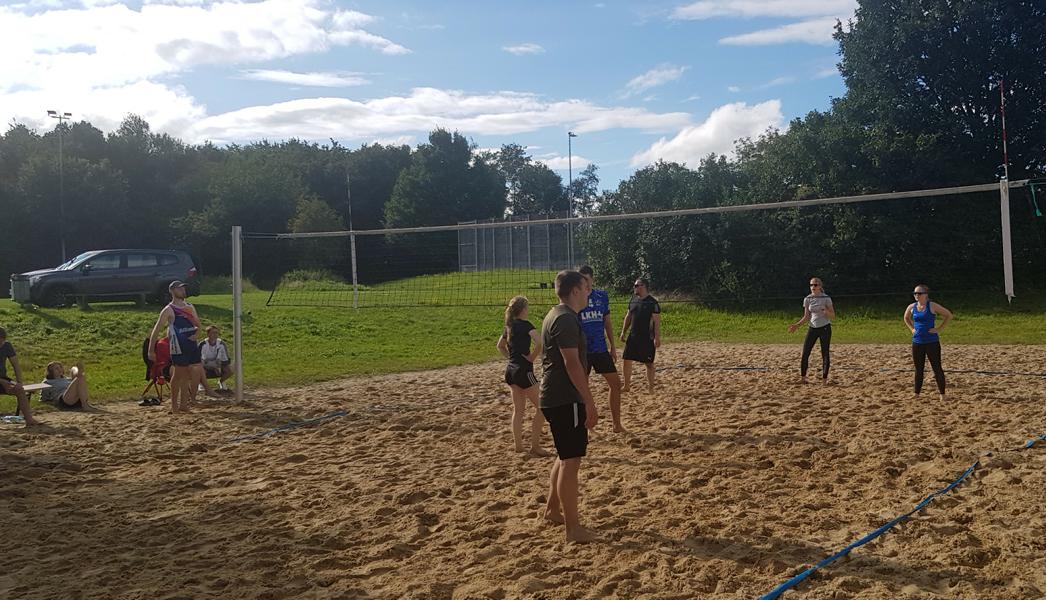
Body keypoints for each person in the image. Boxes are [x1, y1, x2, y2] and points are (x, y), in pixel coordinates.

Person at [540, 270, 598, 543]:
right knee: (571, 461)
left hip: (556, 397)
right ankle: (573, 529)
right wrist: (588, 400)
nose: (589, 292)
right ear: (575, 290)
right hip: (565, 397)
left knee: (564, 456)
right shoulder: (565, 319)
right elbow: (571, 363)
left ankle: (552, 509)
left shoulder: (556, 314)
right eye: (586, 288)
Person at [496, 296, 548, 456]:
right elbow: (541, 343)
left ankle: (518, 446)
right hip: (524, 371)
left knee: (518, 411)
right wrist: (532, 358)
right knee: (543, 408)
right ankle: (535, 446)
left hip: (511, 371)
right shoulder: (526, 325)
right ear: (523, 309)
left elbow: (500, 346)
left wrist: (511, 359)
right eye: (527, 307)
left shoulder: (509, 326)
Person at [577, 265, 625, 433]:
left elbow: (607, 322)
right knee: (583, 388)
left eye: (586, 280)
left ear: (592, 279)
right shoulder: (576, 298)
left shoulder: (601, 296)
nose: (584, 283)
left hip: (600, 348)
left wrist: (612, 346)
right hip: (582, 351)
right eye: (581, 280)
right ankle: (587, 426)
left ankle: (617, 424)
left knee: (616, 384)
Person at [148, 281, 202, 414]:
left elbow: (198, 324)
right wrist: (151, 349)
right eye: (180, 289)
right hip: (178, 346)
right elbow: (157, 329)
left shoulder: (190, 306)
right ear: (172, 291)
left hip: (191, 344)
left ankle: (183, 404)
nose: (183, 291)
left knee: (187, 374)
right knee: (178, 374)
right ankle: (174, 405)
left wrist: (197, 334)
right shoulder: (169, 309)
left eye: (183, 288)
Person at [903, 284, 953, 400]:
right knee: (918, 369)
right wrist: (912, 329)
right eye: (915, 293)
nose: (916, 295)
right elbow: (906, 318)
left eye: (919, 293)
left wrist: (939, 329)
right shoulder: (912, 306)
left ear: (926, 294)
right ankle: (916, 394)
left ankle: (942, 394)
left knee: (937, 368)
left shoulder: (932, 305)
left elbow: (948, 315)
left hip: (931, 342)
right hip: (917, 341)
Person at [788, 277, 836, 383]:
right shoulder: (808, 299)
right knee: (805, 353)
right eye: (811, 285)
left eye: (815, 285)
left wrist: (826, 311)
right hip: (812, 328)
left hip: (824, 328)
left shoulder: (826, 298)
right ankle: (803, 378)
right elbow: (806, 317)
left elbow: (833, 315)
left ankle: (824, 380)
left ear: (820, 286)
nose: (813, 287)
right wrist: (796, 325)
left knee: (825, 353)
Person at [619, 278, 661, 393]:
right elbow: (628, 316)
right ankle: (626, 386)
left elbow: (657, 321)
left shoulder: (652, 302)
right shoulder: (633, 300)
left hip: (647, 338)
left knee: (649, 364)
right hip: (633, 336)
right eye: (635, 285)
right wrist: (623, 332)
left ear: (644, 286)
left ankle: (651, 388)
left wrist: (657, 337)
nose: (635, 288)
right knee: (626, 359)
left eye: (637, 285)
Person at [0, 327, 40, 426]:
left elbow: (16, 366)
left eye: (1, 342)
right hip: (2, 380)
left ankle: (29, 419)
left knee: (19, 390)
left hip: (3, 378)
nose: (0, 344)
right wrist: (2, 382)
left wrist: (19, 382)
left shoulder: (7, 346)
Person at [199, 325, 233, 394]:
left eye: (216, 333)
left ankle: (221, 382)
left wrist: (218, 367)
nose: (215, 335)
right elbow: (201, 360)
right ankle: (201, 384)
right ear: (208, 334)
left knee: (230, 370)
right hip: (205, 364)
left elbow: (225, 359)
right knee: (199, 369)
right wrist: (213, 366)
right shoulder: (203, 344)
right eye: (213, 333)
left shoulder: (221, 344)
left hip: (217, 364)